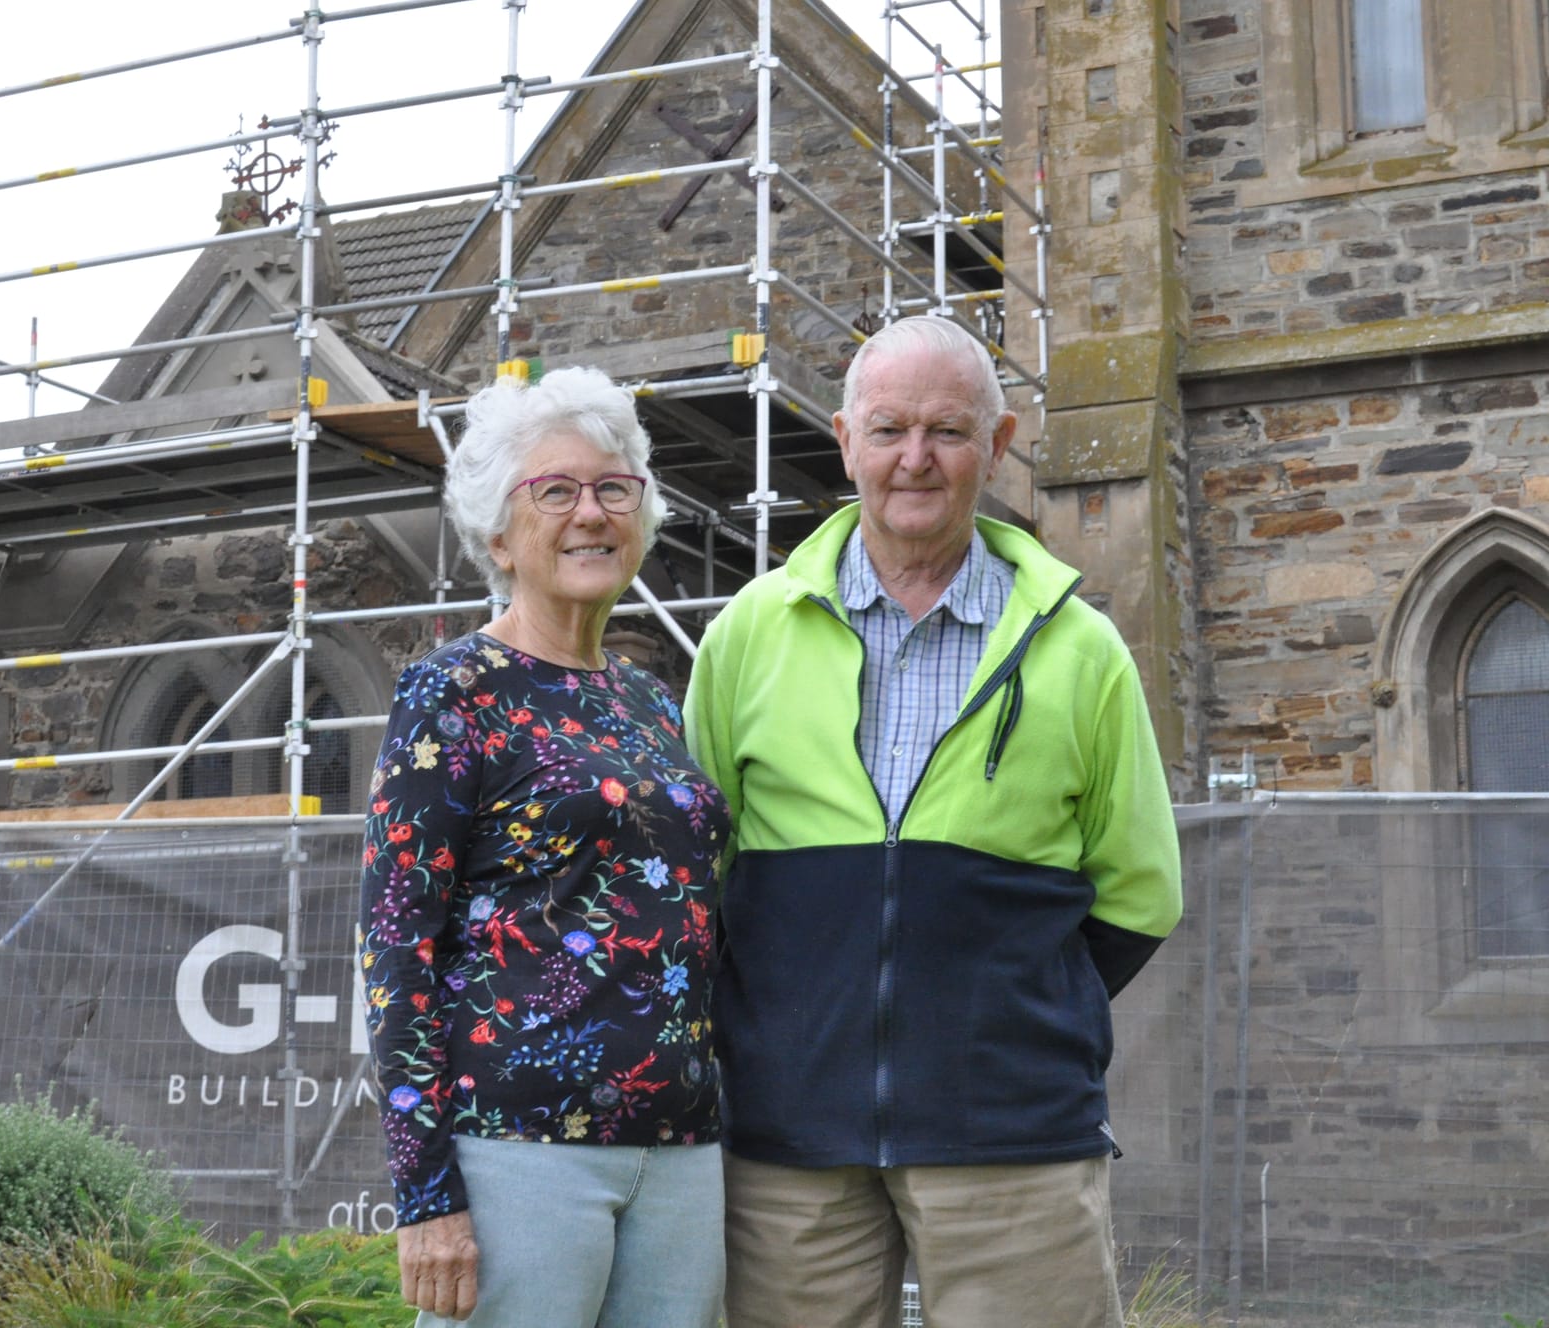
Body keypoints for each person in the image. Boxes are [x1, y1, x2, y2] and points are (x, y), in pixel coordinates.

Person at [683, 315, 1183, 1328]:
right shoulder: (743, 636)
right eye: (888, 429)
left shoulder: (1080, 649)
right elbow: (699, 875)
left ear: (996, 445)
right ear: (843, 439)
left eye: (948, 431)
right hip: (789, 1142)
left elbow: (1139, 890)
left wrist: (1002, 1018)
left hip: (1010, 1138)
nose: (914, 458)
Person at [359, 365, 729, 1328]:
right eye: (556, 490)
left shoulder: (653, 703)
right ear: (497, 534)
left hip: (682, 1149)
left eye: (615, 488)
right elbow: (397, 951)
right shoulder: (453, 691)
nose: (591, 513)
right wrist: (426, 1197)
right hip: (518, 1150)